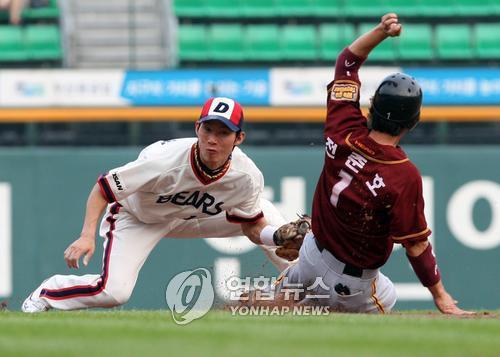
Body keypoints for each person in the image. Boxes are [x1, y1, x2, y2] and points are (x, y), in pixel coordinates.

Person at [275, 14, 473, 315]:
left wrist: (381, 31)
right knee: (388, 298)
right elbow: (416, 246)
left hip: (312, 256)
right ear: (413, 122)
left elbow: (347, 61)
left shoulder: (342, 128)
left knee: (272, 300)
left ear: (372, 107)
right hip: (350, 285)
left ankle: (266, 299)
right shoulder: (403, 174)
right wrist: (441, 297)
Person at [22, 97, 295, 312]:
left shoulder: (246, 175)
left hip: (193, 216)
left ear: (239, 139)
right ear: (196, 128)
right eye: (208, 129)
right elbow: (102, 189)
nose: (212, 139)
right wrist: (86, 235)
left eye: (223, 133)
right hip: (139, 217)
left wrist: (276, 235)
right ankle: (47, 293)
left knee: (266, 211)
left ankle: (302, 286)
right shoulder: (163, 161)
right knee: (114, 292)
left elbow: (251, 225)